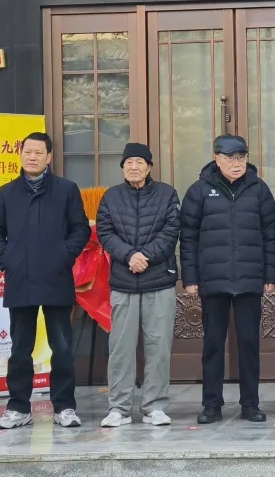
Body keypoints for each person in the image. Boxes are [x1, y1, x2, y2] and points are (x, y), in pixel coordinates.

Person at [0, 132, 91, 430]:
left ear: (49, 157)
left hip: (56, 278)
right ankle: (18, 408)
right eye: (27, 151)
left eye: (38, 152)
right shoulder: (8, 192)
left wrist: (64, 255)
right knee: (20, 348)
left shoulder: (66, 190)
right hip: (20, 279)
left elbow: (80, 229)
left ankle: (64, 406)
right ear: (20, 154)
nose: (32, 157)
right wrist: (8, 260)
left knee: (62, 347)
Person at [180, 135, 275, 424]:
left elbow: (270, 234)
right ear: (217, 159)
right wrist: (190, 276)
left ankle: (250, 404)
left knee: (249, 344)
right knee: (213, 344)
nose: (236, 163)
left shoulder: (259, 190)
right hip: (213, 280)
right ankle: (211, 405)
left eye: (241, 158)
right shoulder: (199, 190)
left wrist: (271, 274)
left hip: (249, 280)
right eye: (230, 158)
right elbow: (188, 237)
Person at [96, 143, 181, 428]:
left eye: (139, 162)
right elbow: (105, 231)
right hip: (123, 282)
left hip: (159, 280)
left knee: (158, 346)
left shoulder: (167, 194)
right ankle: (119, 408)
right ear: (123, 167)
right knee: (120, 347)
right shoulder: (111, 196)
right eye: (129, 162)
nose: (134, 166)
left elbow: (171, 231)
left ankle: (154, 406)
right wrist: (129, 256)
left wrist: (145, 256)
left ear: (149, 166)